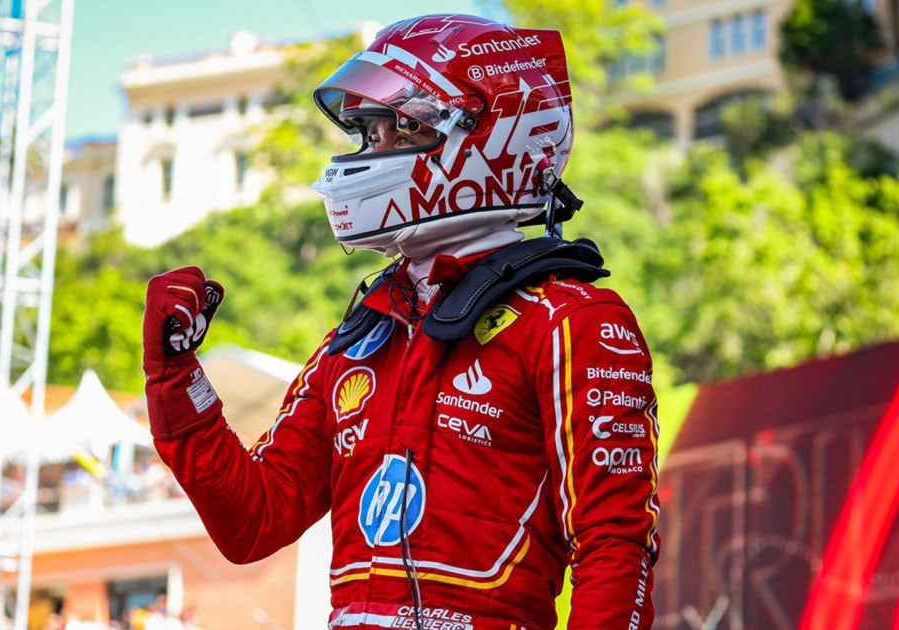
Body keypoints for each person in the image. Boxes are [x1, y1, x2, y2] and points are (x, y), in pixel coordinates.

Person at [143, 14, 659, 630]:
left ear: (492, 135)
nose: (374, 151)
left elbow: (615, 546)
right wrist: (176, 376)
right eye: (369, 131)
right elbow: (253, 522)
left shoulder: (572, 321)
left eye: (404, 128)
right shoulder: (361, 334)